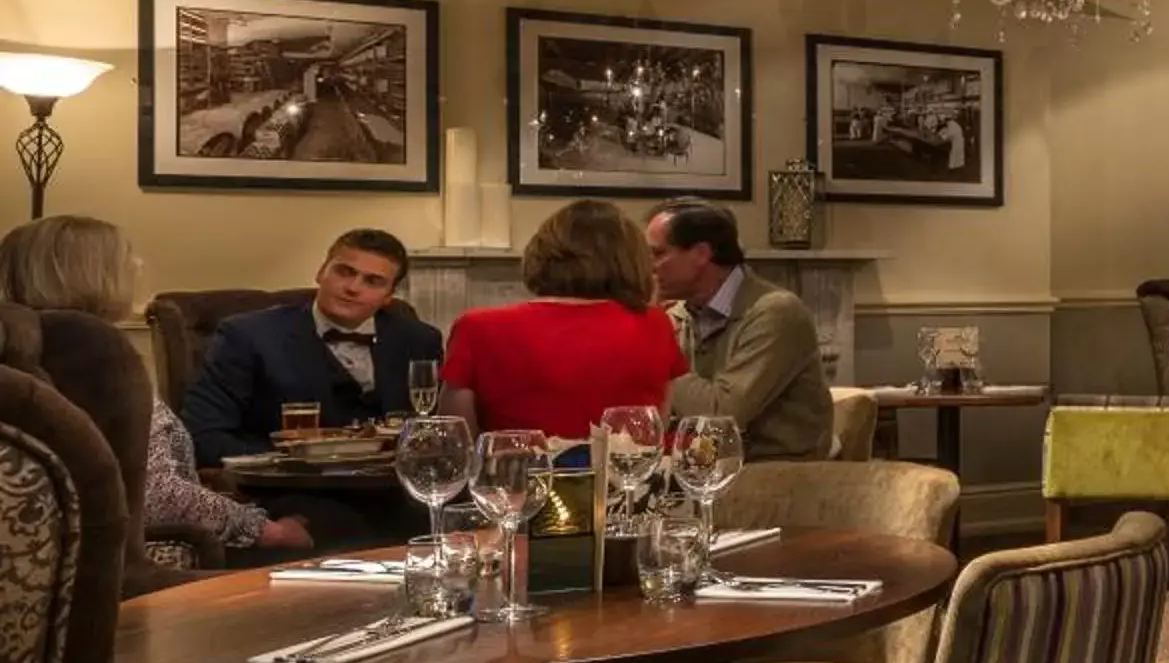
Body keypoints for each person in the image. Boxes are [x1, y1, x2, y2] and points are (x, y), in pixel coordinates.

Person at [0, 215, 311, 555]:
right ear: (88, 274)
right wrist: (268, 531)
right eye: (125, 257)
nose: (138, 264)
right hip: (141, 562)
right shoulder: (96, 355)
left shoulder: (27, 342)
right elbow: (155, 494)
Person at [182, 226, 441, 463]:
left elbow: (437, 430)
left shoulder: (420, 340)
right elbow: (203, 434)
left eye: (372, 281)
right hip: (293, 487)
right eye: (345, 272)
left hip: (394, 488)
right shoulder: (247, 335)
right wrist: (287, 463)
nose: (352, 288)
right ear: (320, 272)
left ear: (388, 297)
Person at [442, 199, 687, 439]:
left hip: (516, 477)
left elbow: (456, 444)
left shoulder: (477, 328)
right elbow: (655, 431)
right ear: (632, 262)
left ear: (541, 254)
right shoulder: (656, 324)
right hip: (622, 478)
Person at [646, 199, 832, 461]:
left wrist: (653, 343)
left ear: (701, 253)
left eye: (657, 254)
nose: (648, 267)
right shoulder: (679, 313)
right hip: (706, 465)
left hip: (779, 474)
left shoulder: (775, 312)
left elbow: (720, 416)